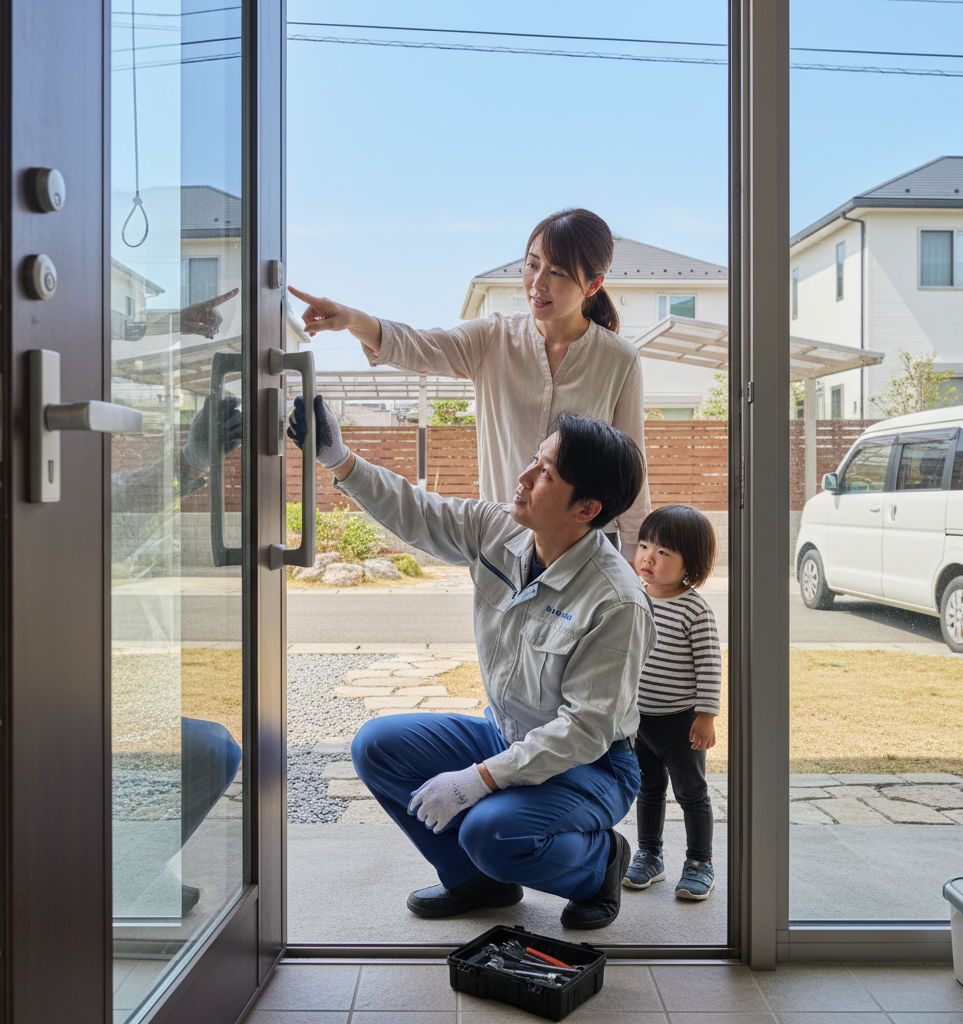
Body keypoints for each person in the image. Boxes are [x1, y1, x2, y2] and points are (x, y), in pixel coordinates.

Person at [287, 395, 658, 930]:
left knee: (491, 830)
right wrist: (337, 457)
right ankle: (476, 881)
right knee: (376, 746)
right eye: (535, 457)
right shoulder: (501, 531)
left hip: (593, 764)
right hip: (504, 733)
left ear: (587, 509)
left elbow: (585, 729)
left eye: (546, 471)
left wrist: (478, 779)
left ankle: (599, 865)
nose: (525, 475)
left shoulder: (616, 601)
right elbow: (415, 510)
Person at [288, 208, 651, 560]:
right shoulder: (494, 338)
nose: (537, 283)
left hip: (586, 546)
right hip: (503, 533)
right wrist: (353, 319)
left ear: (594, 284)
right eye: (532, 263)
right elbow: (422, 346)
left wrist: (635, 555)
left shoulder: (618, 358)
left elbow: (631, 467)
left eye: (557, 272)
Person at [622, 505, 721, 900]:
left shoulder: (694, 610)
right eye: (644, 545)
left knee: (691, 792)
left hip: (681, 724)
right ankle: (650, 854)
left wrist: (706, 716)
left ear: (689, 565)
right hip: (638, 721)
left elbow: (710, 666)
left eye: (663, 552)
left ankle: (700, 862)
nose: (647, 556)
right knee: (648, 789)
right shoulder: (633, 598)